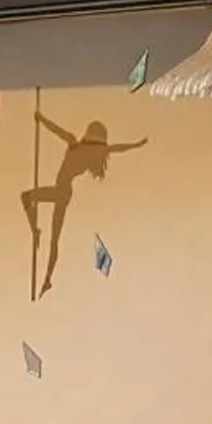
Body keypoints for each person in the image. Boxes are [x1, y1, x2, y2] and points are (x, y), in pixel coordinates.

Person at [21, 115, 146, 295]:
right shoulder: (86, 149)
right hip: (64, 192)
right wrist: (41, 120)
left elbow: (115, 148)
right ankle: (47, 278)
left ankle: (35, 232)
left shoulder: (74, 144)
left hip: (61, 191)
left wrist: (41, 120)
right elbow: (115, 148)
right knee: (54, 238)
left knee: (27, 198)